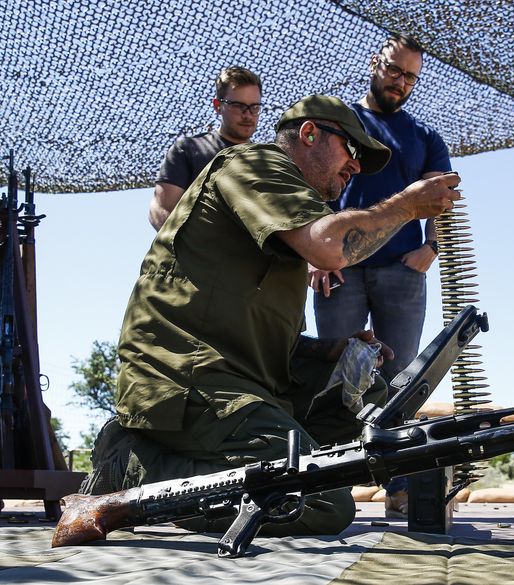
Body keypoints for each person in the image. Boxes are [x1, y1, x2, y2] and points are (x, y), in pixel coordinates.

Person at [83, 95, 462, 538]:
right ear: (308, 134)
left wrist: (332, 350)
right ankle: (130, 467)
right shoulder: (252, 164)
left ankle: (216, 462)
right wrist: (406, 208)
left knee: (363, 401)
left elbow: (255, 330)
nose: (355, 168)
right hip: (188, 380)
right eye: (351, 152)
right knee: (321, 499)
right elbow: (329, 246)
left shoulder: (280, 230)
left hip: (241, 378)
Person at [310, 33, 452, 519]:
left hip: (402, 272)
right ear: (376, 63)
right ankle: (330, 490)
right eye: (394, 70)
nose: (400, 82)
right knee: (336, 378)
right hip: (340, 272)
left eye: (410, 75)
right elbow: (311, 192)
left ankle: (401, 493)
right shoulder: (338, 124)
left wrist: (430, 247)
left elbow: (443, 198)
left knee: (401, 380)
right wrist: (315, 257)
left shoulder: (426, 137)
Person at [148, 66, 263, 230]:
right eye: (238, 105)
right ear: (217, 106)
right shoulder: (189, 149)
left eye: (255, 107)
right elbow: (160, 209)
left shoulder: (267, 159)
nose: (247, 114)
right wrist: (191, 248)